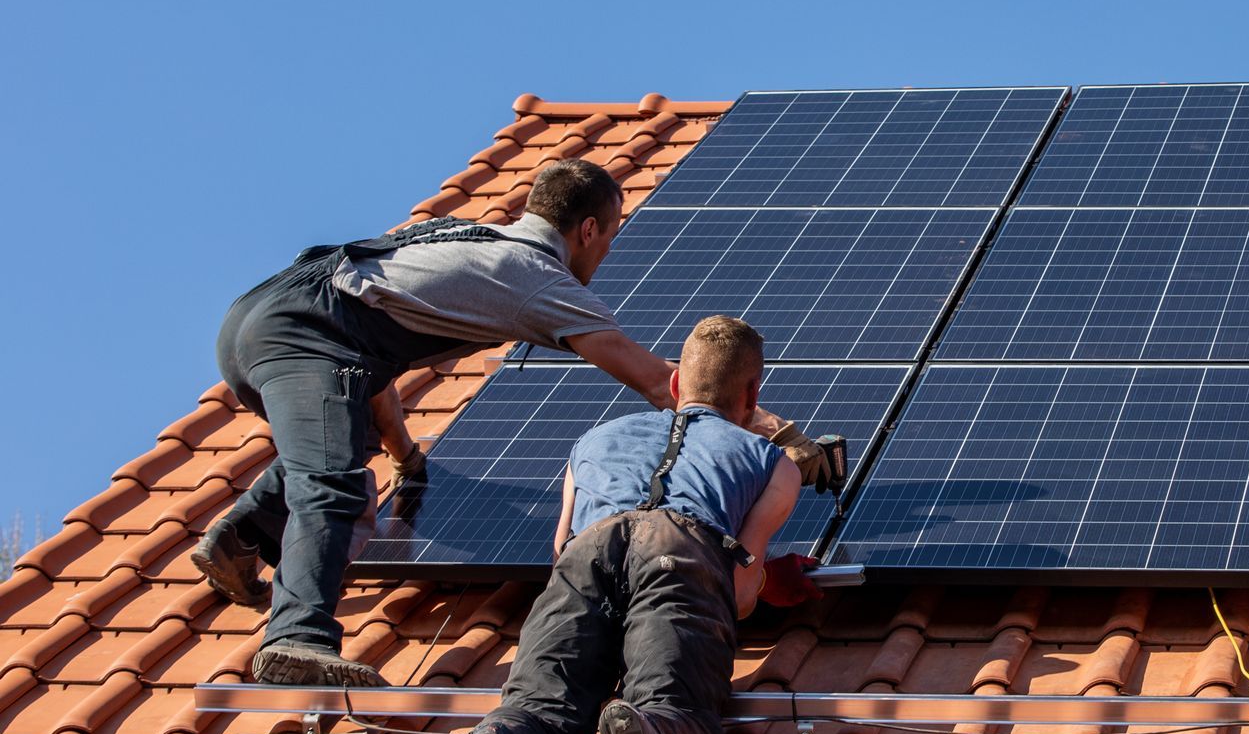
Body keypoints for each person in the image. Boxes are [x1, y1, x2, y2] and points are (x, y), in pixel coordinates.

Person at [194, 160, 838, 687]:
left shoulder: (461, 238)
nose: (608, 249)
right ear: (587, 229)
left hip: (267, 318)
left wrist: (406, 458)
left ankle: (241, 538)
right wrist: (780, 434)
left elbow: (369, 374)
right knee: (330, 483)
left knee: (340, 439)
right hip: (304, 335)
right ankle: (298, 641)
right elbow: (658, 381)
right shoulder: (534, 278)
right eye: (611, 234)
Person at [434, 315, 823, 734]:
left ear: (673, 385)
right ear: (752, 394)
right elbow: (738, 591)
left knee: (540, 706)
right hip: (683, 549)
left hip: (587, 551)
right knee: (676, 702)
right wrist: (760, 586)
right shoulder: (773, 463)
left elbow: (560, 550)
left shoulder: (592, 440)